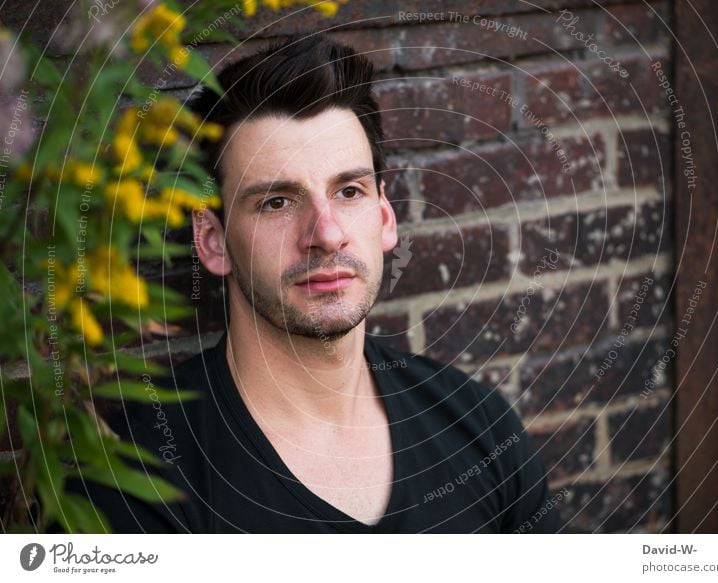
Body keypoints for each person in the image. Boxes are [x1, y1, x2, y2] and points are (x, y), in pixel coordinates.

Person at [65, 34, 562, 533]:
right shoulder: (137, 479)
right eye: (276, 202)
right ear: (213, 240)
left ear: (384, 216)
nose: (326, 234)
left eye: (349, 191)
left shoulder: (475, 425)